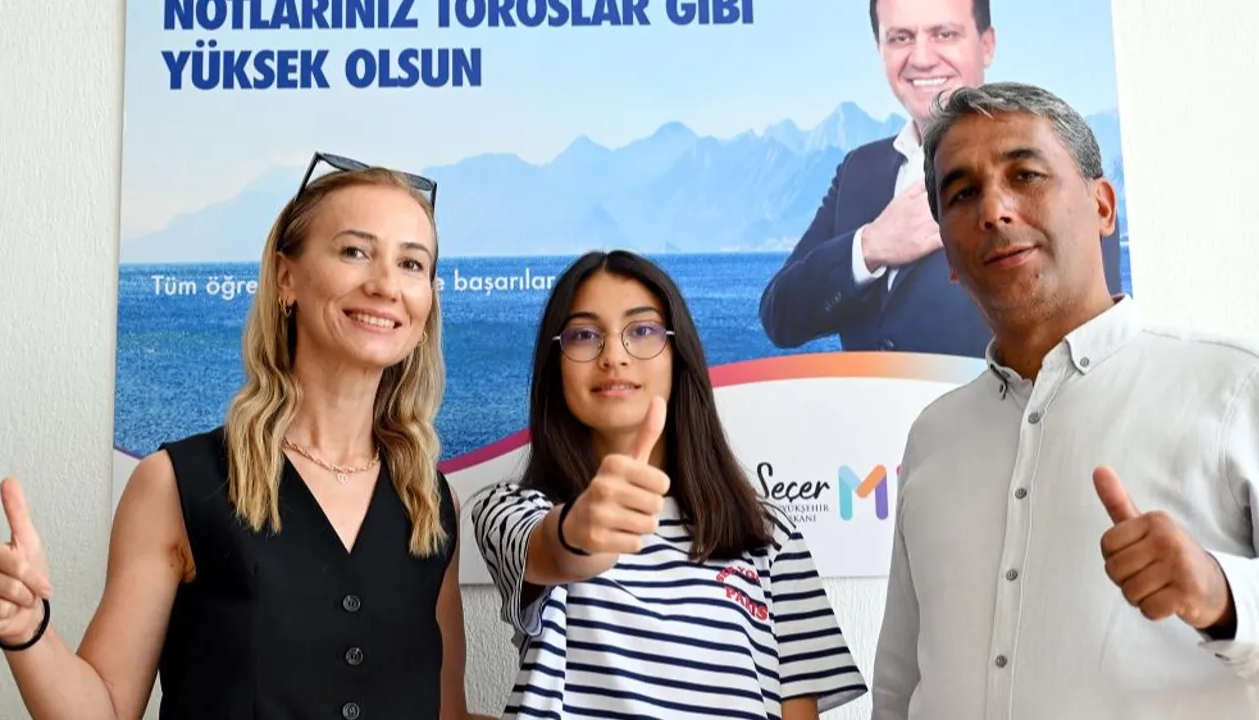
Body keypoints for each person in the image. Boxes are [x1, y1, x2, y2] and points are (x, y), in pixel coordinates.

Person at [0, 152, 493, 720]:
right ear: (286, 278)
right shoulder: (175, 485)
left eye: (412, 264)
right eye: (354, 251)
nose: (386, 285)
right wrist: (27, 631)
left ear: (427, 307)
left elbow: (448, 714)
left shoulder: (432, 503)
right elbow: (105, 709)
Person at [870, 82, 1259, 719]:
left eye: (1025, 175)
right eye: (962, 194)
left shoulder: (1237, 389)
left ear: (1103, 205)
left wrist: (1223, 595)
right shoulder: (935, 434)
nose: (994, 210)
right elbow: (899, 686)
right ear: (947, 253)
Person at [470, 249, 868, 719]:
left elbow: (796, 710)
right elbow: (550, 551)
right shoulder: (509, 510)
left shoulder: (769, 535)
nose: (614, 356)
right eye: (584, 335)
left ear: (679, 355)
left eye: (642, 330)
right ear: (555, 366)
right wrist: (580, 533)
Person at [758, 0, 1123, 357]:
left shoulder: (1055, 157)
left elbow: (1087, 340)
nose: (921, 58)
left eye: (944, 34)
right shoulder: (858, 169)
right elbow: (780, 315)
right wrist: (870, 246)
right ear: (880, 49)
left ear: (987, 45)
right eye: (901, 37)